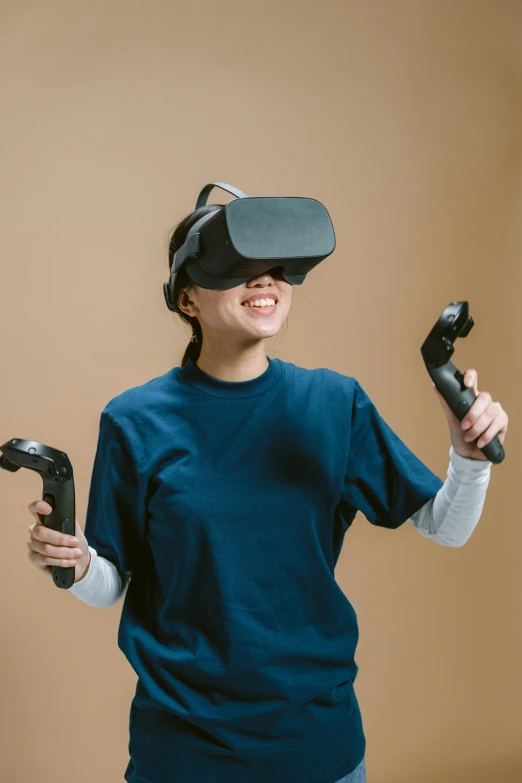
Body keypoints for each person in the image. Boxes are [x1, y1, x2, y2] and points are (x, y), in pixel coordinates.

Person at [27, 203, 496, 783]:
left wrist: (469, 460)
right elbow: (111, 584)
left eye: (277, 264)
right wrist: (74, 564)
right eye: (236, 264)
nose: (264, 279)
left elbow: (445, 527)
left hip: (316, 745)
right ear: (186, 299)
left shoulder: (333, 403)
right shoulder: (135, 421)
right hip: (183, 751)